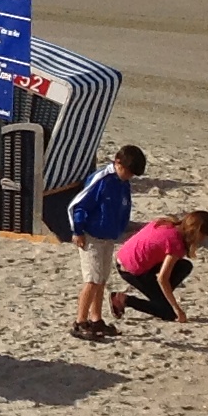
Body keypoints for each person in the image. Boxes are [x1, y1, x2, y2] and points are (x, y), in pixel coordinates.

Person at [66, 143, 144, 341]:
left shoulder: (123, 183)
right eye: (127, 171)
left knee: (101, 280)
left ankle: (96, 318)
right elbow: (79, 205)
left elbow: (123, 208)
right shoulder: (101, 180)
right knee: (91, 280)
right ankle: (80, 321)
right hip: (90, 236)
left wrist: (122, 229)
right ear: (117, 163)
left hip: (108, 236)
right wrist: (78, 230)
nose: (129, 176)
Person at [114, 209, 208, 323]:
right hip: (131, 269)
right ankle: (123, 300)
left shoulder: (167, 223)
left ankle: (160, 298)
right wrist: (177, 309)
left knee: (184, 266)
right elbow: (162, 278)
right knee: (168, 312)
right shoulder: (176, 243)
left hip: (126, 257)